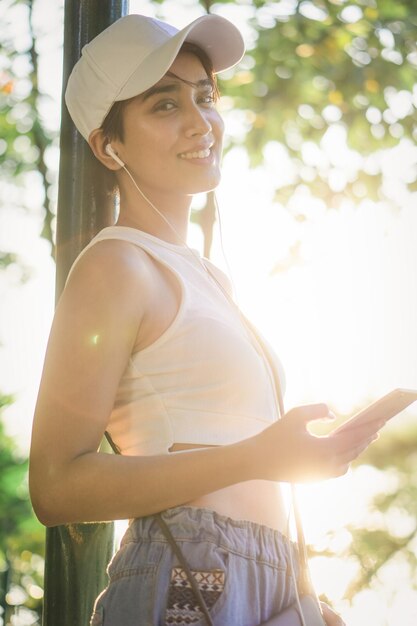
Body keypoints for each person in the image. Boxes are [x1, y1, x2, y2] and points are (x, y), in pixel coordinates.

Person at [29, 13, 381, 626]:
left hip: (269, 577)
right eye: (165, 106)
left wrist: (299, 593)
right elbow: (55, 488)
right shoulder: (117, 264)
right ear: (108, 145)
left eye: (205, 96)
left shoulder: (209, 277)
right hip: (188, 568)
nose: (201, 121)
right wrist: (259, 456)